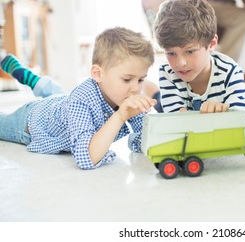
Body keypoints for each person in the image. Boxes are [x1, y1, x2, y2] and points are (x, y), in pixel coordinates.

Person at [0, 27, 157, 169]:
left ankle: (30, 77)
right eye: (127, 79)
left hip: (62, 102)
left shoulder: (125, 93)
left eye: (141, 80)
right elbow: (86, 158)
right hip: (32, 119)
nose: (136, 88)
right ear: (97, 74)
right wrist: (120, 116)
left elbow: (142, 142)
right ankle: (24, 75)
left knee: (61, 95)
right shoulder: (80, 99)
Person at [153, 0, 245, 143]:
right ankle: (150, 89)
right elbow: (175, 129)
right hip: (166, 102)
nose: (180, 63)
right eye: (171, 53)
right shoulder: (167, 72)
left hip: (186, 103)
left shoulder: (231, 72)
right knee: (157, 103)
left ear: (212, 44)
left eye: (190, 51)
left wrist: (225, 114)